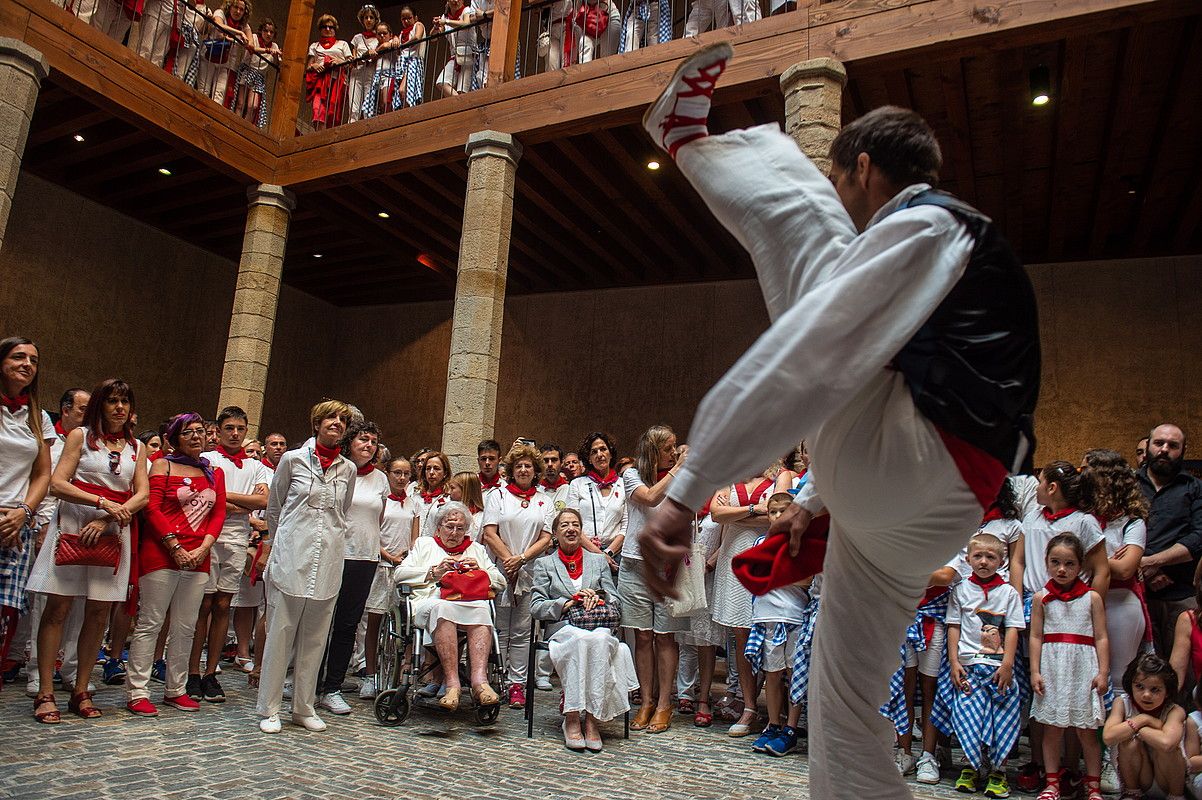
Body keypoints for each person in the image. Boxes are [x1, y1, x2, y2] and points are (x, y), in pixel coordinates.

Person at [637, 44, 1041, 800]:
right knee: (845, 702)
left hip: (921, 470)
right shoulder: (950, 241)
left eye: (837, 176)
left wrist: (684, 491)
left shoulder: (931, 223)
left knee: (811, 237)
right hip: (915, 505)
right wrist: (818, 501)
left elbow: (811, 355)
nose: (837, 189)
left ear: (860, 169)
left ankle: (688, 138)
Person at [28, 379, 149, 722]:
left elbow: (142, 493)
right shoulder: (80, 437)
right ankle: (45, 691)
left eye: (125, 401)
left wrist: (111, 516)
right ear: (100, 403)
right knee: (58, 608)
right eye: (112, 400)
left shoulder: (136, 448)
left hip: (112, 533)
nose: (119, 407)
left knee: (98, 614)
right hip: (73, 527)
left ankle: (81, 688)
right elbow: (58, 482)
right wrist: (102, 502)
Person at [256, 400, 357, 734]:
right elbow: (275, 507)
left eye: (343, 420)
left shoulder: (348, 469)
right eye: (331, 417)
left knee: (315, 638)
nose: (337, 423)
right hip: (291, 557)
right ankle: (270, 708)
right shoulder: (292, 459)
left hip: (327, 560)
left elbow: (340, 514)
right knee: (281, 633)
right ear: (317, 423)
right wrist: (279, 543)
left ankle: (303, 706)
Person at [124, 413, 225, 716]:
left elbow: (217, 513)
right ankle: (137, 690)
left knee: (186, 626)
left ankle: (176, 688)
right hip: (162, 553)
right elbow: (152, 508)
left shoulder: (214, 472)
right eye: (187, 432)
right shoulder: (162, 465)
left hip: (199, 556)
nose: (196, 437)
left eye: (199, 431)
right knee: (151, 623)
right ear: (173, 439)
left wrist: (204, 546)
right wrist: (175, 545)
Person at [531, 508, 638, 751]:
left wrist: (598, 597)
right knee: (580, 640)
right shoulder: (545, 564)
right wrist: (567, 603)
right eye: (565, 525)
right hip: (564, 627)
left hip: (597, 624)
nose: (571, 529)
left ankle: (592, 718)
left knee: (599, 641)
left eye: (575, 524)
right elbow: (536, 607)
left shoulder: (598, 561)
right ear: (555, 534)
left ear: (581, 531)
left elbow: (615, 598)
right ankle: (571, 717)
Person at [189, 406, 269, 703]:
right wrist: (239, 504)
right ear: (218, 431)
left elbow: (262, 499)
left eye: (240, 428)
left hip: (237, 539)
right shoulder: (206, 459)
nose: (235, 434)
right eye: (229, 428)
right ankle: (193, 672)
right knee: (203, 604)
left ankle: (211, 672)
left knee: (224, 603)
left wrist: (221, 496)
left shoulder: (255, 466)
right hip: (207, 535)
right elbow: (202, 498)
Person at [395, 502, 505, 710]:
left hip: (468, 604)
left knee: (483, 608)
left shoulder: (476, 549)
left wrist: (480, 570)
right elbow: (399, 575)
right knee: (443, 607)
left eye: (460, 528)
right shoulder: (424, 545)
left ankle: (480, 681)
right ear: (439, 527)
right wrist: (432, 572)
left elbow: (500, 581)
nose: (455, 532)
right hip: (429, 605)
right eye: (449, 526)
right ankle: (452, 684)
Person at [619, 425, 689, 734]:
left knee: (665, 636)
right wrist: (678, 468)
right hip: (635, 563)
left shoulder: (682, 476)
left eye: (675, 447)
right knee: (642, 636)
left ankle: (664, 704)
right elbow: (648, 498)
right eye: (668, 448)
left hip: (668, 567)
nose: (674, 452)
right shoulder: (631, 474)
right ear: (653, 451)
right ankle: (646, 700)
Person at [1029, 533, 1111, 800]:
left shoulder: (1092, 598)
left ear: (1080, 566)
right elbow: (1036, 636)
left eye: (1069, 563)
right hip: (1052, 668)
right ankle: (1052, 784)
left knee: (1087, 731)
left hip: (1083, 669)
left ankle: (1093, 786)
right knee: (1052, 729)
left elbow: (1101, 636)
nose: (1062, 569)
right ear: (1047, 563)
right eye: (1055, 562)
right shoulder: (1041, 598)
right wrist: (1035, 671)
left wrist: (1103, 672)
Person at [316, 420, 388, 715]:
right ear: (349, 443)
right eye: (363, 439)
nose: (368, 445)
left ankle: (332, 688)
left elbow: (377, 519)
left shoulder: (381, 479)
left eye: (373, 441)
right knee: (320, 621)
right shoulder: (339, 470)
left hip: (365, 557)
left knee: (347, 623)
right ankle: (309, 682)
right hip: (334, 553)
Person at [946, 532, 1025, 797]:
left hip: (998, 668)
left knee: (1002, 718)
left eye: (990, 557)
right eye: (977, 556)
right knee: (969, 716)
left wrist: (1008, 663)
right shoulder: (960, 591)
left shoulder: (1009, 593)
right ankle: (970, 767)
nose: (983, 562)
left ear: (1001, 561)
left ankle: (998, 771)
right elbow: (954, 626)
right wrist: (954, 660)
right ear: (967, 559)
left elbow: (1013, 629)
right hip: (968, 665)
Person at [23, 387, 88, 698]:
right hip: (52, 524)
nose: (88, 416)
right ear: (65, 410)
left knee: (81, 605)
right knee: (47, 604)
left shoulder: (94, 443)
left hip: (87, 529)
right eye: (81, 410)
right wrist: (43, 524)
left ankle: (72, 669)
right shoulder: (50, 441)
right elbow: (45, 484)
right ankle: (38, 671)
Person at [481, 444, 552, 708]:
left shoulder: (543, 500)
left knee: (522, 631)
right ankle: (494, 679)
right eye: (519, 466)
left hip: (530, 570)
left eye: (528, 466)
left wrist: (521, 560)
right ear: (511, 470)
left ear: (536, 472)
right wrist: (509, 560)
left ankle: (517, 685)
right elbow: (489, 532)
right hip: (500, 570)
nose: (523, 470)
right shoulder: (498, 496)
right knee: (498, 628)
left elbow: (546, 538)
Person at [0, 338, 53, 688]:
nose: (27, 364)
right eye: (18, 356)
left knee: (5, 609)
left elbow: (42, 473)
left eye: (33, 359)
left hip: (16, 523)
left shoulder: (38, 417)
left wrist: (24, 511)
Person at [710, 469, 774, 736]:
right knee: (741, 634)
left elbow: (778, 516)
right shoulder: (728, 477)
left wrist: (736, 515)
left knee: (773, 635)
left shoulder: (781, 476)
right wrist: (754, 510)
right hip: (734, 557)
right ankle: (749, 706)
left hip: (767, 557)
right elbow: (715, 514)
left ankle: (774, 711)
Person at [746, 492, 811, 757]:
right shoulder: (760, 543)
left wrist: (777, 575)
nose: (776, 516)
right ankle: (773, 723)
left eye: (783, 511)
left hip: (794, 616)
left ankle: (791, 728)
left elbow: (806, 580)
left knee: (794, 673)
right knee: (771, 674)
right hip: (767, 617)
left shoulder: (801, 545)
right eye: (772, 512)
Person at [1084, 448, 1148, 695]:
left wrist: (1087, 558)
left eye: (1086, 470)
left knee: (1120, 678)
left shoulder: (1132, 522)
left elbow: (1125, 568)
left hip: (1120, 603)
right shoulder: (1083, 516)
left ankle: (1118, 732)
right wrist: (1105, 559)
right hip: (1084, 600)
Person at [1139, 424, 1202, 657]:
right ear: (1147, 447)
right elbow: (1113, 532)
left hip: (1181, 596)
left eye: (1173, 445)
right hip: (1135, 594)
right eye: (1158, 443)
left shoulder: (1195, 488)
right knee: (1139, 671)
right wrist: (1148, 569)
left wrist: (1153, 562)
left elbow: (1198, 537)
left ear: (1183, 450)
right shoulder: (1128, 486)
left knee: (1182, 674)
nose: (1164, 449)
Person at [361, 456, 414, 699]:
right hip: (381, 565)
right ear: (388, 473)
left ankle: (396, 673)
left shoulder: (413, 503)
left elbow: (415, 535)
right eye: (397, 473)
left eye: (406, 474)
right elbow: (373, 532)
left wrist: (408, 557)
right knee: (375, 621)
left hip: (403, 569)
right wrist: (389, 556)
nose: (401, 478)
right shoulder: (382, 501)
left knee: (403, 625)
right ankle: (370, 675)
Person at [1102, 653, 1187, 800]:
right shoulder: (1122, 703)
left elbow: (1167, 743)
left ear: (1167, 692)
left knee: (1170, 750)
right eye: (1139, 687)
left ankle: (1176, 796)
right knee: (1129, 744)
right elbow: (1108, 737)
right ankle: (1132, 793)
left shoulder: (1175, 710)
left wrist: (1136, 728)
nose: (1146, 695)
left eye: (1155, 690)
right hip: (1140, 779)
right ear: (1131, 685)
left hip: (1167, 781)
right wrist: (1143, 719)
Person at [564, 432, 627, 565]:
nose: (599, 454)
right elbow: (571, 522)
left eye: (603, 449)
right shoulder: (577, 484)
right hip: (584, 552)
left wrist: (608, 553)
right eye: (594, 452)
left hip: (616, 555)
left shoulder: (623, 485)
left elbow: (626, 526)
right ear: (589, 459)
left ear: (610, 453)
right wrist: (598, 554)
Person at [198, 0, 253, 105]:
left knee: (219, 93)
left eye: (241, 9)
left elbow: (251, 44)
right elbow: (219, 25)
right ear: (230, 6)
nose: (238, 11)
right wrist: (240, 33)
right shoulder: (220, 13)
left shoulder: (244, 25)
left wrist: (246, 40)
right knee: (204, 90)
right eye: (235, 7)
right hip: (209, 56)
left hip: (225, 63)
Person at [306, 14, 353, 129]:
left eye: (331, 27)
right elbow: (308, 66)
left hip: (337, 81)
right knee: (317, 110)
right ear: (320, 29)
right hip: (320, 81)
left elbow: (351, 64)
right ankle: (319, 136)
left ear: (335, 29)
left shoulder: (342, 44)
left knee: (333, 112)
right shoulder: (314, 46)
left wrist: (339, 61)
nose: (328, 29)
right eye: (324, 26)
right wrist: (314, 65)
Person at [233, 19, 280, 128]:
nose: (268, 34)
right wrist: (267, 50)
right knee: (240, 102)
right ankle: (235, 124)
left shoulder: (275, 46)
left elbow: (277, 64)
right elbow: (252, 49)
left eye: (271, 32)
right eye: (265, 30)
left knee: (253, 106)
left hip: (259, 76)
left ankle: (244, 128)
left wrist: (276, 55)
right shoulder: (254, 37)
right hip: (248, 69)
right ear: (261, 31)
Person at [431, 0, 475, 97]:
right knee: (441, 82)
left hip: (468, 55)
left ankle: (461, 104)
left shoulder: (466, 10)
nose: (455, 1)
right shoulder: (445, 17)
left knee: (462, 90)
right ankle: (461, 103)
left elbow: (466, 23)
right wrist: (436, 26)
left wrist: (446, 22)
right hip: (454, 56)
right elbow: (433, 38)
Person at [346, 5, 381, 123]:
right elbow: (353, 59)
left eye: (371, 17)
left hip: (371, 72)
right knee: (353, 107)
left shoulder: (378, 38)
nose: (369, 20)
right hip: (356, 73)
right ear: (362, 20)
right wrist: (364, 56)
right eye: (366, 17)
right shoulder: (357, 38)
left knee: (368, 107)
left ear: (376, 20)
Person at [412, 450, 452, 540]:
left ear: (445, 473)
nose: (431, 472)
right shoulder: (416, 496)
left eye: (436, 468)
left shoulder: (449, 499)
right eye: (428, 468)